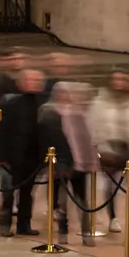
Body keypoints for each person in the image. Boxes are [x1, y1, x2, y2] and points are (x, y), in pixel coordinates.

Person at [38, 82, 97, 247]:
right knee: (60, 201)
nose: (65, 95)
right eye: (61, 92)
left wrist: (88, 159)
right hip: (58, 162)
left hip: (78, 162)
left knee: (81, 200)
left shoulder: (77, 113)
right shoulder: (48, 113)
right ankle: (62, 231)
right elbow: (45, 139)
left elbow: (85, 138)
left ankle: (86, 232)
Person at [89, 69, 129, 233]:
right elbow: (95, 124)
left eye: (122, 79)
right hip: (109, 147)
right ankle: (113, 217)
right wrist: (98, 146)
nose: (119, 83)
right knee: (111, 185)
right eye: (116, 80)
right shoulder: (101, 101)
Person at [0, 69, 45, 237]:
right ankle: (5, 224)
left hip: (33, 157)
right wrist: (2, 156)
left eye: (37, 80)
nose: (34, 83)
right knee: (8, 193)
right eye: (30, 79)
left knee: (27, 194)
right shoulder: (11, 103)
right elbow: (2, 131)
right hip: (12, 157)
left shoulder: (43, 104)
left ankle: (24, 225)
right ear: (21, 82)